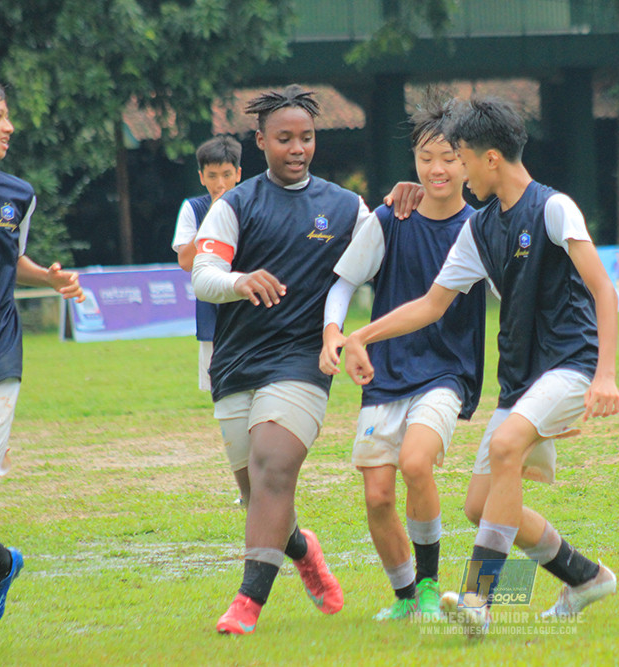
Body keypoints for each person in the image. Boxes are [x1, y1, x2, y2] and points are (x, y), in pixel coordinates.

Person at [342, 96, 619, 639]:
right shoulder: (479, 229)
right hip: (519, 381)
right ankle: (585, 577)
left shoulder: (554, 208)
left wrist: (605, 375)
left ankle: (478, 598)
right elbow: (431, 305)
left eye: (462, 159)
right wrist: (361, 335)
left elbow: (603, 291)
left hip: (571, 364)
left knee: (505, 447)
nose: (458, 172)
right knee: (478, 505)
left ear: (491, 159)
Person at [192, 85, 361, 635]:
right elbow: (203, 277)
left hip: (302, 360)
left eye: (306, 138)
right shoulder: (235, 205)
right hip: (236, 362)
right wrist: (239, 281)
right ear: (260, 142)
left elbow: (385, 248)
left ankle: (247, 602)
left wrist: (407, 198)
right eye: (285, 138)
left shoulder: (346, 207)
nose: (297, 148)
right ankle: (302, 550)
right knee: (258, 494)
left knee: (273, 466)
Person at [318, 95, 486, 621]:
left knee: (415, 462)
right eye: (425, 157)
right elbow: (344, 282)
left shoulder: (482, 227)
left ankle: (432, 587)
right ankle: (406, 597)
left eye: (449, 158)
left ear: (468, 162)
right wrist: (332, 333)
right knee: (377, 496)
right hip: (384, 371)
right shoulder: (391, 218)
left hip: (447, 372)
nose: (437, 169)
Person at [0, 80, 85, 627]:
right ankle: (2, 565)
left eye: (6, 114)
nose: (8, 126)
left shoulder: (17, 194)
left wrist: (50, 279)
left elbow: (14, 261)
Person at [171, 135, 243, 393]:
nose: (220, 184)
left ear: (238, 174)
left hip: (249, 307)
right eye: (212, 176)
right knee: (220, 390)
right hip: (212, 311)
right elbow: (185, 261)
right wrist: (211, 217)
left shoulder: (252, 205)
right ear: (201, 177)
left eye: (226, 175)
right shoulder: (193, 209)